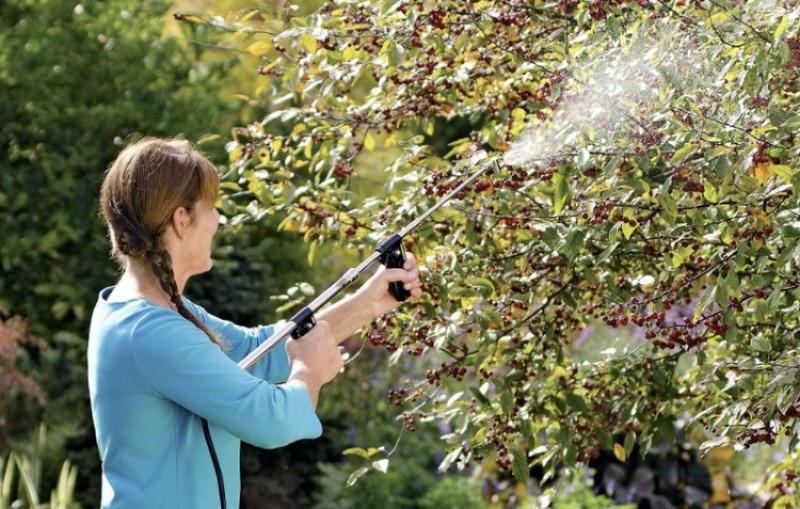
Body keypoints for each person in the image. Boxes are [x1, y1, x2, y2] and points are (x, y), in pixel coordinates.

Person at [87, 138, 422, 508]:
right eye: (211, 207)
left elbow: (257, 351)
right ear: (181, 220)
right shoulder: (150, 331)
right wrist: (309, 372)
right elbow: (273, 421)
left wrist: (368, 303)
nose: (217, 219)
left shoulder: (153, 312)